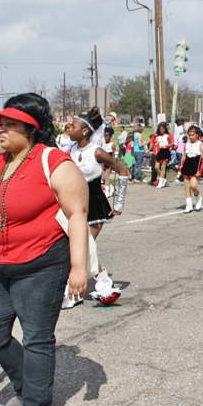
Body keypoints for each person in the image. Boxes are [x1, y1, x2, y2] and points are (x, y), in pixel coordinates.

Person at [0, 93, 90, 406]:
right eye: (0, 124)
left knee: (36, 337)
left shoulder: (54, 161)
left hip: (41, 264)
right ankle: (25, 383)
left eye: (10, 124)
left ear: (31, 128)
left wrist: (79, 268)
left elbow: (77, 214)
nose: (0, 130)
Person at [65, 107, 129, 307]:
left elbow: (123, 170)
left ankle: (74, 293)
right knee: (82, 250)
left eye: (74, 126)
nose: (69, 129)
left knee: (82, 249)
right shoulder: (70, 151)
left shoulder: (97, 151)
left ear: (85, 130)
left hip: (94, 206)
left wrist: (119, 203)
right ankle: (104, 281)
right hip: (73, 206)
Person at [180, 125, 203, 213]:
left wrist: (200, 171)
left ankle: (198, 197)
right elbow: (184, 156)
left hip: (196, 166)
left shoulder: (200, 145)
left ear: (197, 135)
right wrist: (181, 167)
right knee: (186, 186)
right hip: (187, 165)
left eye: (193, 135)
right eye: (189, 135)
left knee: (193, 185)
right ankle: (189, 205)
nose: (191, 137)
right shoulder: (186, 144)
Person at [151, 122, 174, 188]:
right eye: (160, 129)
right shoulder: (158, 136)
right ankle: (163, 178)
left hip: (165, 151)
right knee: (156, 167)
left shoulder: (167, 136)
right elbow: (155, 143)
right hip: (160, 151)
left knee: (163, 167)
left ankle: (161, 182)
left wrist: (167, 147)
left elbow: (170, 144)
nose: (161, 130)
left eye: (163, 129)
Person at [101, 126, 117, 196]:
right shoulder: (102, 144)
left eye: (107, 136)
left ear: (110, 136)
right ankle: (111, 187)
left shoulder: (112, 145)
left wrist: (115, 161)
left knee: (107, 177)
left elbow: (114, 153)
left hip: (109, 163)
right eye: (105, 136)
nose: (106, 138)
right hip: (103, 163)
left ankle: (106, 191)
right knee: (103, 177)